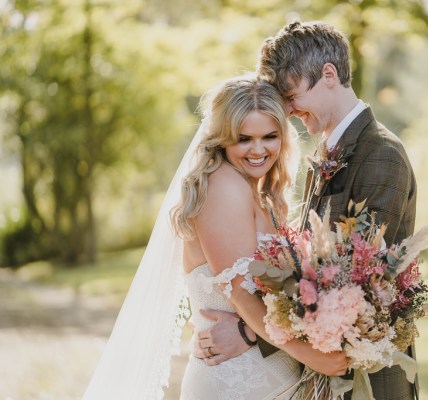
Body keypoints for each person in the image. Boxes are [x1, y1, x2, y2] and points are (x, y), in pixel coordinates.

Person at [82, 75, 348, 400]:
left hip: (264, 375)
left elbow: (275, 298)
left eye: (269, 136)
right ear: (222, 138)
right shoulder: (224, 187)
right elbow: (239, 292)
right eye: (244, 138)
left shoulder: (257, 191)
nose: (258, 149)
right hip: (236, 382)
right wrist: (314, 357)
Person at [194, 21, 419, 400]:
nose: (289, 111)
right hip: (323, 372)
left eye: (292, 95)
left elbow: (353, 285)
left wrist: (248, 334)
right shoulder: (326, 151)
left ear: (328, 75)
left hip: (368, 377)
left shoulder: (380, 154)